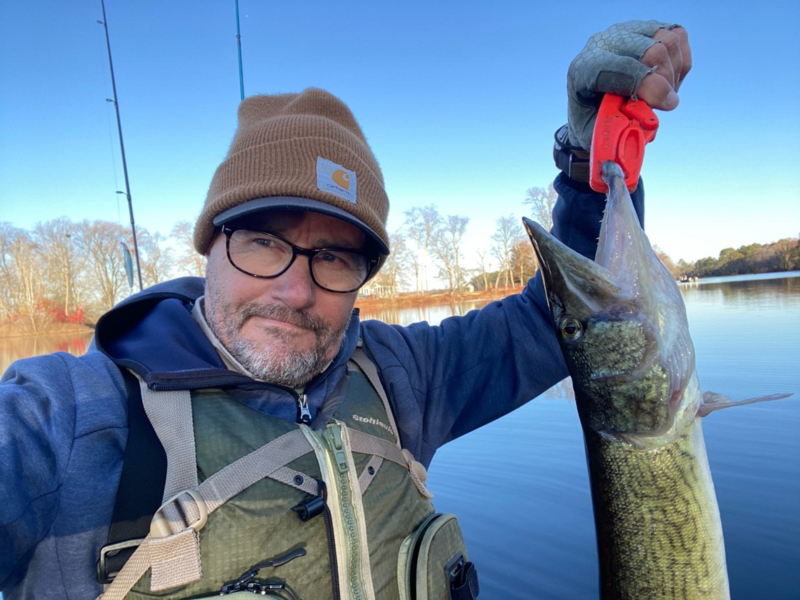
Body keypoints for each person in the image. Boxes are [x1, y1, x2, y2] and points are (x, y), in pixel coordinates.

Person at [0, 20, 690, 600]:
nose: (295, 292)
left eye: (334, 256)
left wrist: (589, 168)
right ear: (210, 244)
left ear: (362, 274)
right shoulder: (63, 420)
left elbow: (571, 326)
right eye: (264, 242)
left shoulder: (402, 377)